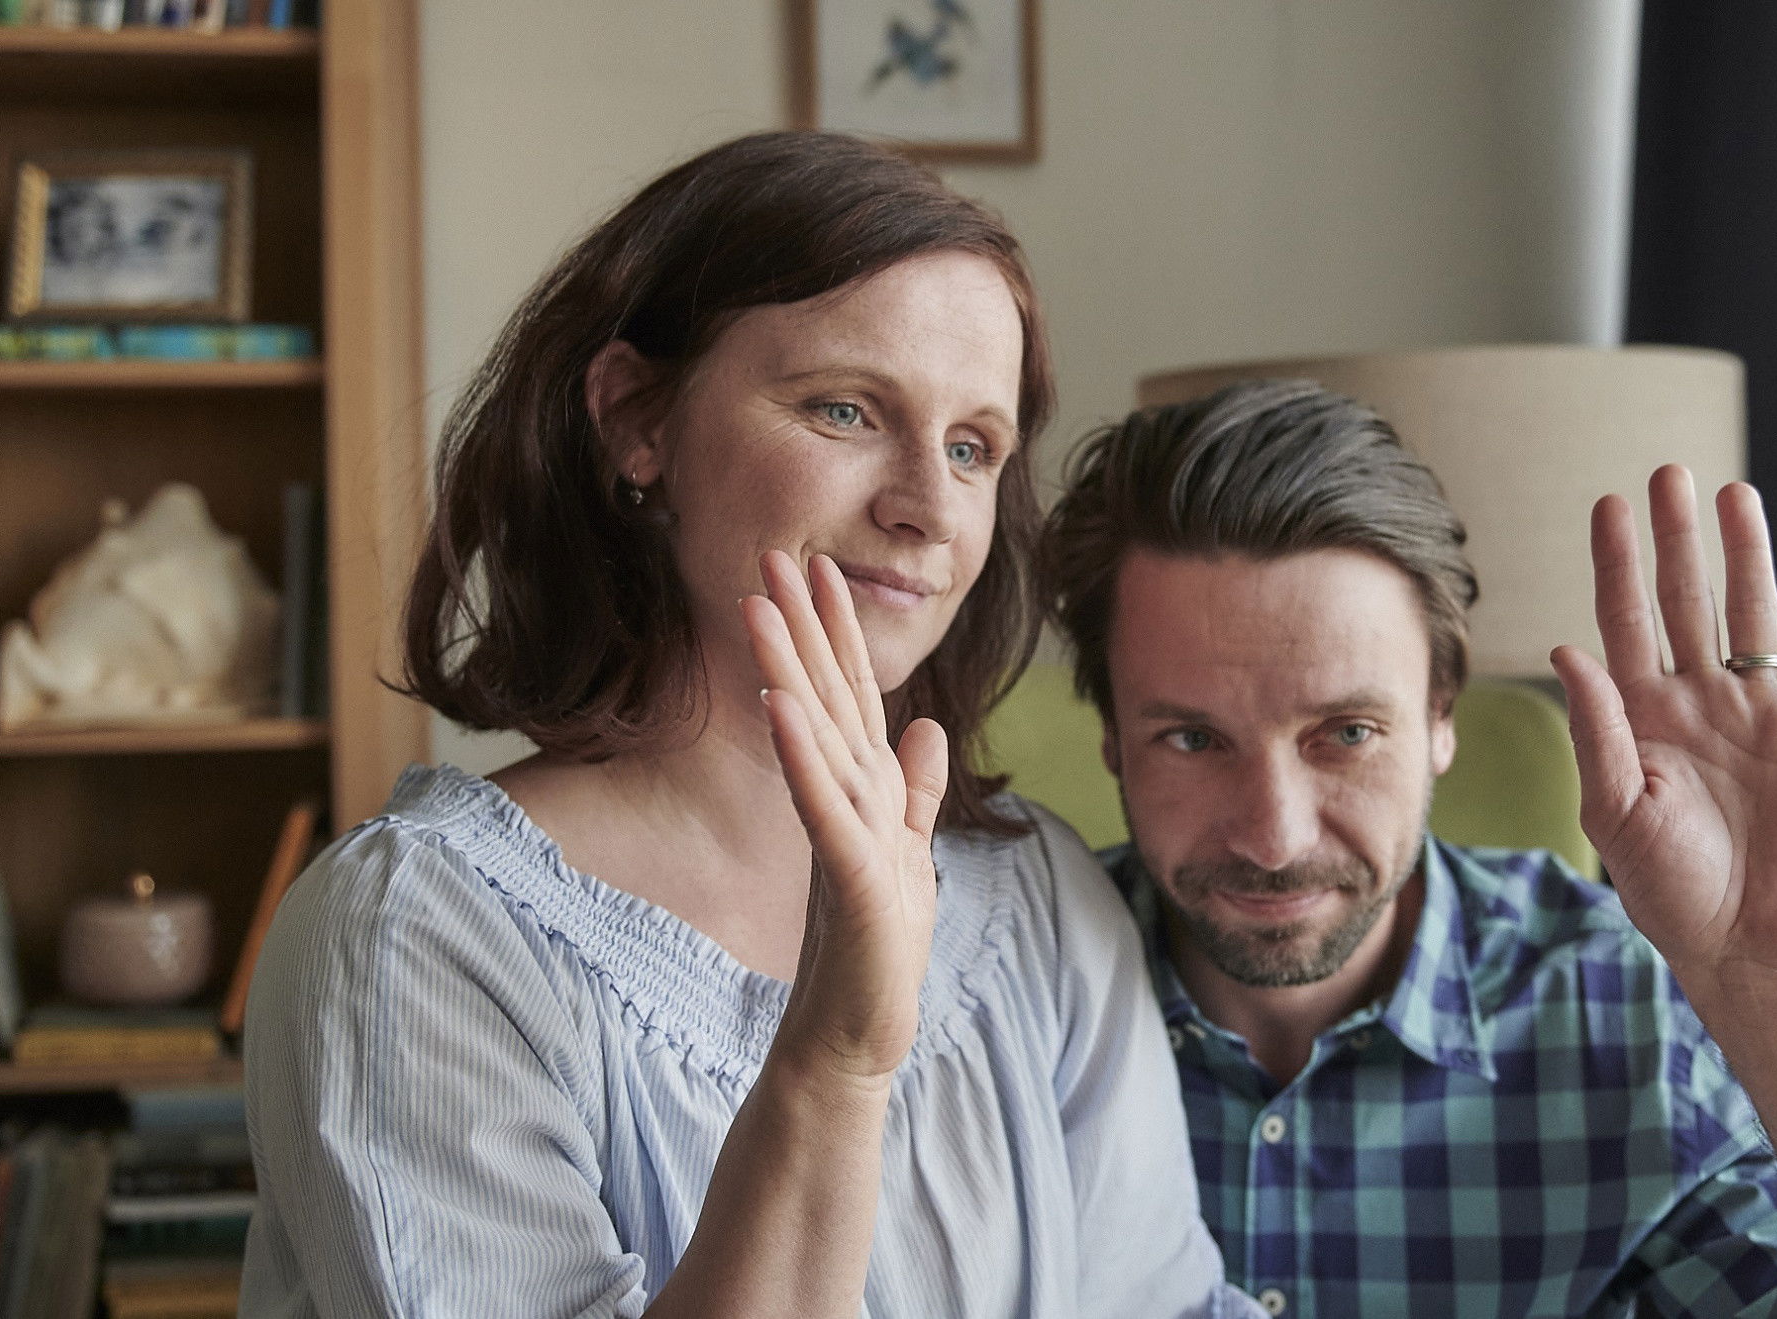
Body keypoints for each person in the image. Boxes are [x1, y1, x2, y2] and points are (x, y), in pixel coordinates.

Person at [238, 132, 1257, 1317]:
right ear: (635, 420)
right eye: (844, 409)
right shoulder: (410, 938)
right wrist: (834, 1057)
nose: (928, 506)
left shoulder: (1040, 897)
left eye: (974, 447)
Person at [1040, 379, 1777, 1317]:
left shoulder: (1624, 1015)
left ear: (1443, 714)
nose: (1273, 834)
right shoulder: (1007, 1002)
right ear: (1111, 738)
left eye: (1345, 733)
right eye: (1189, 737)